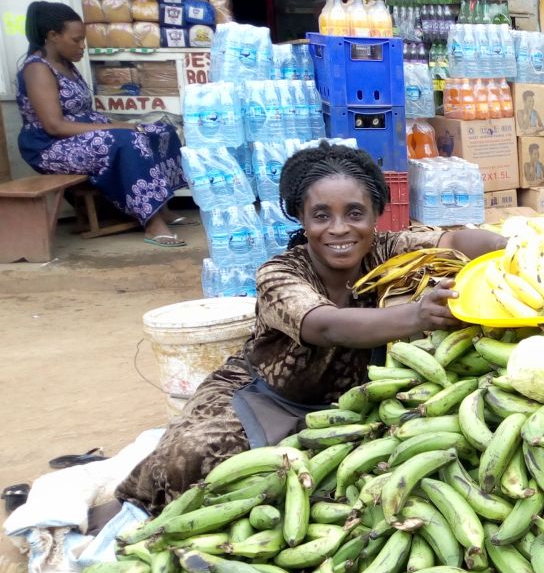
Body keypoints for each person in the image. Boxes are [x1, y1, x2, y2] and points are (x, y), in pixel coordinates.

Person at [116, 142, 504, 514]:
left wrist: (520, 244)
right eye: (321, 216)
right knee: (190, 458)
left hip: (353, 405)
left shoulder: (388, 250)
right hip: (267, 396)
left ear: (376, 215)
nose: (339, 229)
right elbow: (326, 326)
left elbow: (456, 240)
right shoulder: (280, 273)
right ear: (301, 218)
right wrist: (417, 315)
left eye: (355, 213)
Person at [16, 1, 188, 247]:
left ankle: (163, 206)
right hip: (50, 146)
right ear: (53, 36)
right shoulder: (37, 69)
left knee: (161, 130)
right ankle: (152, 221)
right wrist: (117, 128)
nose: (82, 46)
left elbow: (85, 114)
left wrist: (122, 125)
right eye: (76, 40)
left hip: (81, 136)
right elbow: (55, 126)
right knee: (128, 140)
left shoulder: (66, 66)